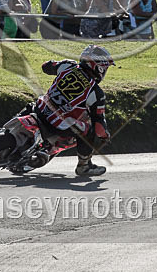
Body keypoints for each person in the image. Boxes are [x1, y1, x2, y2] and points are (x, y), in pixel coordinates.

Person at [35, 44, 114, 176]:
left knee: (34, 103)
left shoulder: (68, 66)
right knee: (90, 130)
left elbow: (45, 67)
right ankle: (84, 166)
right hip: (60, 123)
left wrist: (53, 63)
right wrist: (105, 135)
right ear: (98, 67)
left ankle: (5, 131)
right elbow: (99, 124)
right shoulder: (96, 92)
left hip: (40, 107)